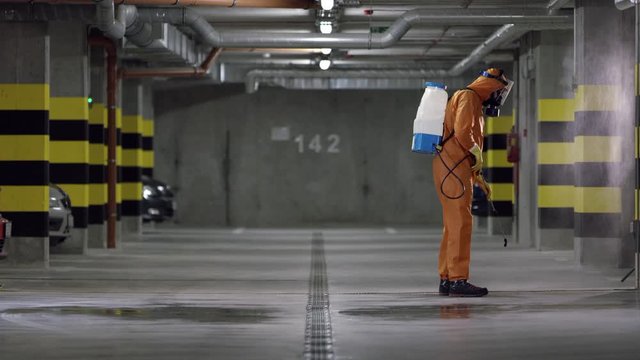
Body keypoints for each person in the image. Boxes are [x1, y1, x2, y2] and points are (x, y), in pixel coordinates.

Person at [433, 68, 513, 297]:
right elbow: (462, 134)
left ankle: (447, 279)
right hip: (452, 169)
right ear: (492, 87)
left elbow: (465, 148)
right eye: (499, 91)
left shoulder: (472, 101)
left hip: (453, 168)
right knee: (460, 224)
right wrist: (476, 151)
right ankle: (458, 280)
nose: (499, 97)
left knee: (452, 225)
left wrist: (479, 178)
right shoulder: (468, 97)